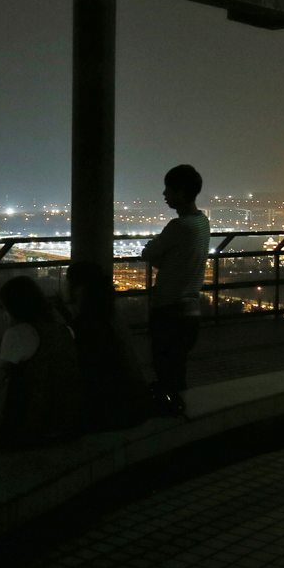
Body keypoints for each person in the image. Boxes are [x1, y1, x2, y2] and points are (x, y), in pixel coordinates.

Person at [0, 276, 82, 453]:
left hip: (33, 423)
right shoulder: (63, 330)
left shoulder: (19, 333)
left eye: (5, 308)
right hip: (67, 416)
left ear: (13, 308)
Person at [140, 164, 210, 416]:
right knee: (177, 370)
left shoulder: (178, 226)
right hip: (191, 310)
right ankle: (180, 415)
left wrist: (158, 254)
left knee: (164, 367)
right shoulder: (203, 223)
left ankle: (168, 417)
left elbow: (148, 253)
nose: (164, 194)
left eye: (168, 189)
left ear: (180, 192)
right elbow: (175, 258)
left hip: (168, 310)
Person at [64, 261, 149, 431]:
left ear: (79, 289)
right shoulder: (112, 320)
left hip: (103, 414)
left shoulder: (85, 327)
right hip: (128, 406)